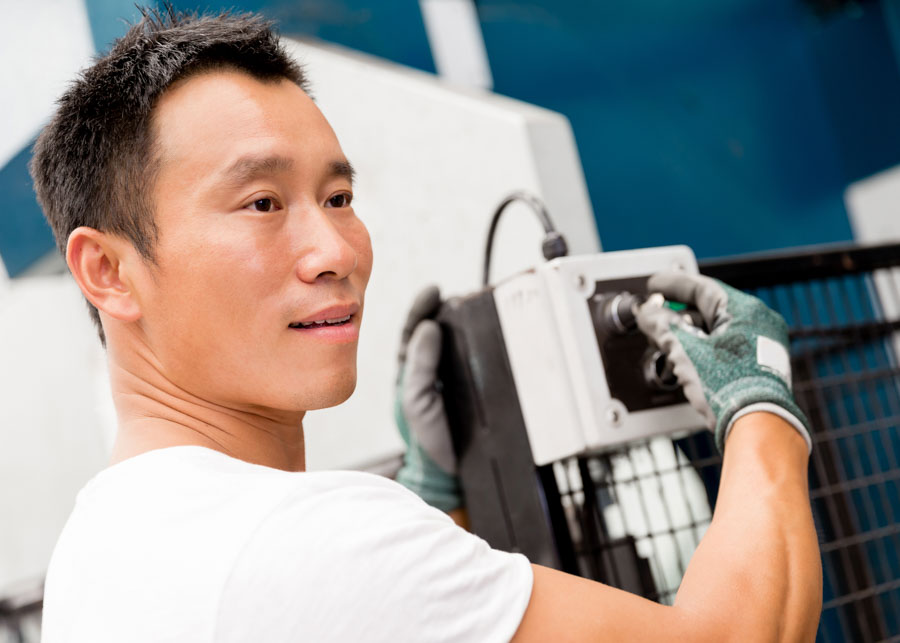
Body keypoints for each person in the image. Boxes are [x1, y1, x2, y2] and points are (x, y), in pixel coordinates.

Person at [31, 7, 821, 642]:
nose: (336, 250)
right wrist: (761, 405)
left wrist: (434, 499)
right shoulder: (314, 543)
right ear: (108, 271)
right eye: (262, 202)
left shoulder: (99, 555)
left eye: (338, 198)